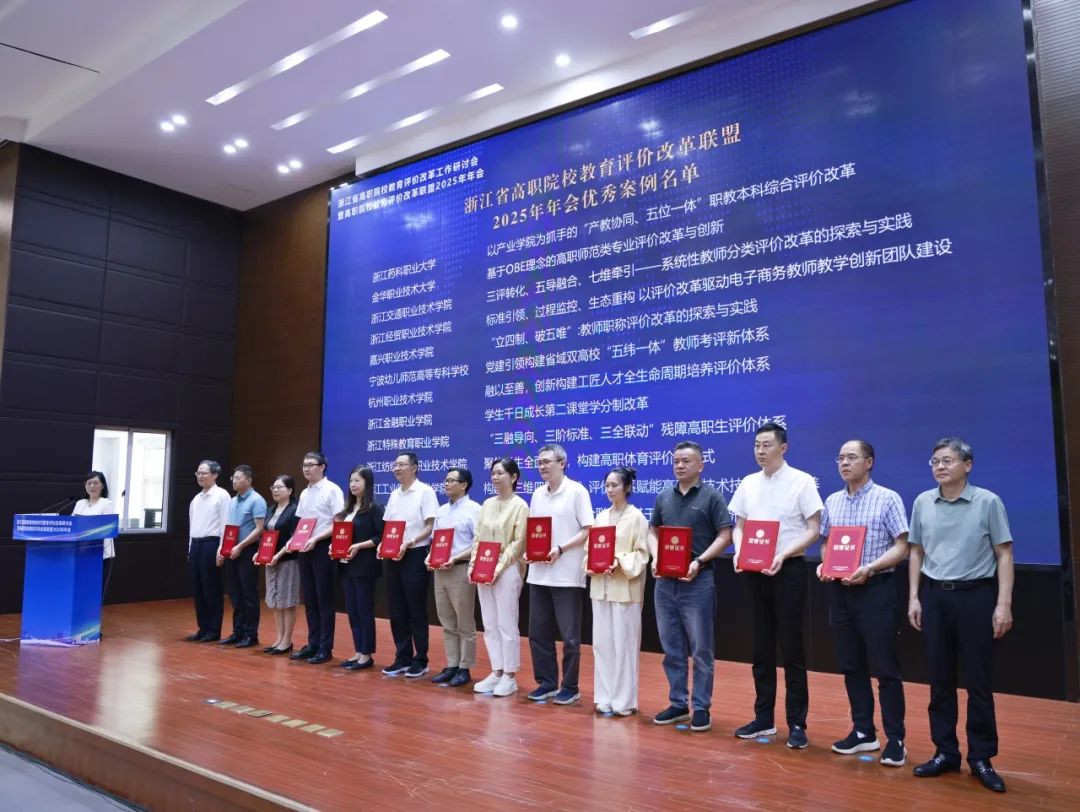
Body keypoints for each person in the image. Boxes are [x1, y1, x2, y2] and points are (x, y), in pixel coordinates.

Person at [907, 437, 1014, 793]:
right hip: (935, 596)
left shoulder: (988, 502)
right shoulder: (923, 502)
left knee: (978, 681)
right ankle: (945, 752)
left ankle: (981, 757)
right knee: (939, 678)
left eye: (947, 460)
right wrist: (914, 598)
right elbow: (916, 552)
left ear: (967, 465)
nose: (939, 466)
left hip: (976, 596)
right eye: (935, 461)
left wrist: (1003, 604)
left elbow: (1004, 554)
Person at [729, 422, 823, 748]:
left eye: (767, 444)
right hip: (755, 572)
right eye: (757, 445)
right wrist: (739, 550)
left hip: (788, 570)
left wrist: (783, 554)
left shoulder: (802, 481)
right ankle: (763, 718)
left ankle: (797, 723)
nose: (760, 450)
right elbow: (738, 526)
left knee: (792, 649)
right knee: (761, 648)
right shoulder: (748, 483)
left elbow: (814, 529)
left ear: (783, 448)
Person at [818, 440, 910, 767]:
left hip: (875, 589)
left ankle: (896, 739)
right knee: (851, 664)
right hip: (840, 592)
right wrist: (824, 564)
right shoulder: (832, 500)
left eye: (851, 457)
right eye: (840, 458)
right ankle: (863, 731)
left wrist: (870, 568)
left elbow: (903, 545)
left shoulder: (887, 498)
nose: (844, 463)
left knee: (885, 667)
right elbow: (827, 542)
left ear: (869, 462)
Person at [648, 440, 733, 732]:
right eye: (676, 461)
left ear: (700, 465)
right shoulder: (664, 496)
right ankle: (678, 703)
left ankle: (701, 706)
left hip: (698, 581)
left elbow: (725, 535)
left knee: (701, 648)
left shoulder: (712, 496)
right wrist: (656, 557)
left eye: (686, 461)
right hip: (665, 583)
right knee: (671, 647)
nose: (680, 466)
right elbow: (652, 531)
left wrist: (700, 561)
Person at [526, 443, 594, 705]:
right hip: (538, 573)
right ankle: (546, 682)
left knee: (570, 637)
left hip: (567, 574)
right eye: (539, 462)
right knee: (538, 632)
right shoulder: (537, 494)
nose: (542, 466)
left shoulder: (577, 491)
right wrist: (531, 551)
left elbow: (588, 530)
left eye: (547, 462)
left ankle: (570, 686)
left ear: (562, 463)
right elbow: (536, 531)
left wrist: (561, 548)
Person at [587, 466, 649, 717]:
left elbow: (642, 554)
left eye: (614, 485)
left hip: (625, 589)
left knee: (624, 646)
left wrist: (619, 561)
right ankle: (604, 696)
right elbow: (590, 550)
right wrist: (590, 564)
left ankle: (624, 700)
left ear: (627, 487)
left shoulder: (637, 517)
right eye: (607, 485)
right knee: (602, 645)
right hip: (600, 588)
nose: (610, 490)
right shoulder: (600, 517)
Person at [471, 457, 529, 698]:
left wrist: (498, 568)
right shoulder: (487, 504)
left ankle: (510, 676)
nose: (495, 477)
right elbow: (478, 538)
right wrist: (474, 565)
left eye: (500, 473)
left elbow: (518, 543)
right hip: (484, 569)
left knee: (507, 623)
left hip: (507, 570)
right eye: (493, 473)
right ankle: (496, 670)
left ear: (513, 477)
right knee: (490, 623)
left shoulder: (520, 506)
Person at [380, 450, 439, 678]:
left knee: (416, 608)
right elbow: (389, 526)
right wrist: (383, 544)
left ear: (414, 468)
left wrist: (410, 541)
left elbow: (430, 526)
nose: (397, 468)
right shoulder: (394, 494)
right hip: (393, 555)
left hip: (415, 554)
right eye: (395, 464)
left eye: (402, 464)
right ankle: (402, 657)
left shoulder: (425, 492)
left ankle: (420, 659)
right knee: (396, 608)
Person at [427, 467, 481, 687]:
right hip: (440, 571)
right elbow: (435, 542)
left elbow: (478, 543)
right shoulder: (441, 511)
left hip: (460, 569)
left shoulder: (474, 510)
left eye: (451, 480)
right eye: (446, 480)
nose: (446, 484)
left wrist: (456, 557)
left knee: (464, 622)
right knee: (447, 620)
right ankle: (451, 664)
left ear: (464, 485)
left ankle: (464, 667)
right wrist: (429, 557)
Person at [292, 451, 345, 664]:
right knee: (310, 599)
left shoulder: (332, 490)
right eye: (304, 465)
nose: (306, 468)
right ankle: (312, 643)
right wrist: (294, 541)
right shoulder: (305, 493)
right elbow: (302, 523)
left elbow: (338, 523)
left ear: (322, 467)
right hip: (305, 547)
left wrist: (316, 538)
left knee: (324, 600)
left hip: (323, 547)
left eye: (311, 465)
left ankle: (325, 647)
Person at [337, 465, 384, 671]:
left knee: (364, 610)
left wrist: (358, 546)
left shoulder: (375, 508)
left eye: (357, 480)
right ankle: (358, 650)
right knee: (352, 610)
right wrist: (334, 546)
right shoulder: (347, 510)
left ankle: (366, 654)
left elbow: (380, 536)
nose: (353, 484)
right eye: (351, 481)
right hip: (345, 565)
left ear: (367, 483)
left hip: (364, 566)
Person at [219, 465, 266, 648]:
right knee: (235, 594)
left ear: (249, 480)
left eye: (239, 477)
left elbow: (259, 529)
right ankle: (238, 631)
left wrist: (240, 546)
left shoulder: (257, 500)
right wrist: (224, 549)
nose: (235, 480)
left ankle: (251, 634)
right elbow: (229, 527)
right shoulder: (232, 501)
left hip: (247, 550)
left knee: (249, 594)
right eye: (234, 477)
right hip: (232, 550)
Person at [186, 460, 231, 642]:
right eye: (198, 473)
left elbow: (226, 524)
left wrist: (222, 549)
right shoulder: (196, 499)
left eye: (204, 472)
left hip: (212, 544)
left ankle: (213, 630)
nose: (200, 476)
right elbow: (192, 527)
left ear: (215, 475)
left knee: (211, 588)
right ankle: (202, 628)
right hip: (196, 545)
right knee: (198, 589)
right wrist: (190, 549)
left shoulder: (222, 495)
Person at [257, 474, 300, 654]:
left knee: (287, 601)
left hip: (288, 560)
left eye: (279, 487)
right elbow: (266, 535)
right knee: (275, 600)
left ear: (289, 490)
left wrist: (279, 554)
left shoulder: (294, 510)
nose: (275, 490)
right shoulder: (271, 509)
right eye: (273, 487)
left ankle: (287, 640)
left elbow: (294, 537)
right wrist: (260, 552)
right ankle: (279, 638)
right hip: (270, 560)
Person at [73, 471, 116, 600]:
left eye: (96, 483)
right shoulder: (80, 503)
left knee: (94, 589)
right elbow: (72, 524)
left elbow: (107, 527)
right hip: (80, 551)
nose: (92, 486)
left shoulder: (106, 503)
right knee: (81, 587)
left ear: (102, 485)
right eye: (89, 483)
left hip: (99, 552)